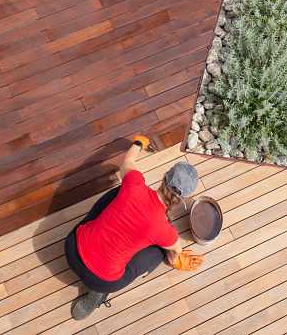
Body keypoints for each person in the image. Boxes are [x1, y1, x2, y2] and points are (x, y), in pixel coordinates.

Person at [64, 136, 204, 320]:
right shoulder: (166, 232)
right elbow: (175, 252)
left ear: (164, 176)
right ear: (183, 200)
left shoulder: (134, 183)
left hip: (73, 250)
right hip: (102, 281)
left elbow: (127, 161)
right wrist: (175, 260)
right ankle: (99, 294)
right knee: (160, 250)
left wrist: (138, 143)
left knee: (119, 192)